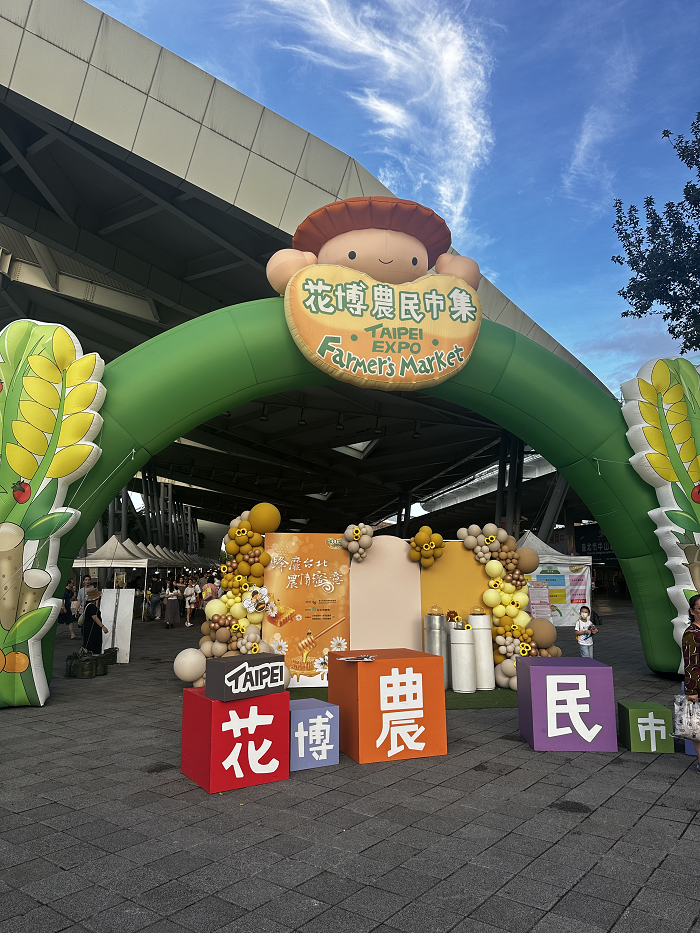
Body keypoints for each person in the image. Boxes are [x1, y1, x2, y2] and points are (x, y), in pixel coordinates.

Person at [684, 594, 700, 771]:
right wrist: (691, 690)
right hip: (698, 686)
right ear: (692, 611)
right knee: (697, 727)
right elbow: (690, 664)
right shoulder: (691, 634)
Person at [82, 588, 108, 653]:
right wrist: (102, 626)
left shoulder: (87, 605)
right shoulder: (92, 607)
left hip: (87, 627)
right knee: (94, 644)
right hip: (92, 628)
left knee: (88, 644)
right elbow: (95, 617)